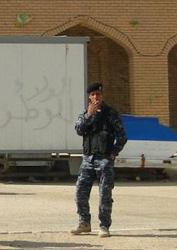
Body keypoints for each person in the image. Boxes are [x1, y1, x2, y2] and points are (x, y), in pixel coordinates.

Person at [70, 82, 127, 239]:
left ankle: (104, 226)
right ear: (89, 97)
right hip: (88, 159)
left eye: (99, 94)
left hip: (104, 159)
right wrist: (89, 115)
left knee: (105, 195)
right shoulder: (85, 114)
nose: (96, 97)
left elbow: (122, 136)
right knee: (80, 193)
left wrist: (113, 153)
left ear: (102, 96)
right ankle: (84, 223)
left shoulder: (111, 114)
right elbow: (79, 130)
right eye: (93, 94)